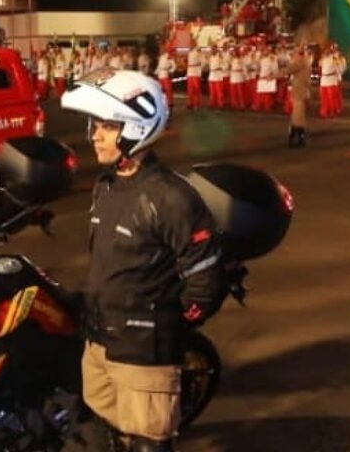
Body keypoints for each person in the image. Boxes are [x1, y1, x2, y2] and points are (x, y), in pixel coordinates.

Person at [60, 69, 225, 452]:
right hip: (100, 342)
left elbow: (205, 279)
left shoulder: (170, 197)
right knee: (103, 433)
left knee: (147, 443)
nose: (94, 135)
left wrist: (165, 326)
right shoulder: (107, 185)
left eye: (105, 126)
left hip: (143, 353)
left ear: (135, 129)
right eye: (94, 125)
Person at [287, 44, 314, 147]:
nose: (293, 55)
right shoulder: (305, 62)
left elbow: (287, 70)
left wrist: (272, 76)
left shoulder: (299, 63)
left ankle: (297, 138)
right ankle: (296, 137)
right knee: (297, 115)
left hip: (299, 92)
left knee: (297, 116)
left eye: (295, 53)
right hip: (302, 91)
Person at [254, 47, 278, 112]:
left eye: (266, 51)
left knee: (268, 94)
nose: (265, 52)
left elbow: (275, 69)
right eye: (264, 51)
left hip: (268, 77)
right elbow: (257, 67)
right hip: (261, 76)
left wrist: (271, 75)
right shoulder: (261, 59)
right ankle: (259, 105)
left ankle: (268, 106)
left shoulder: (272, 59)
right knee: (260, 93)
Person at [319, 49, 341, 118]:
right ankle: (324, 111)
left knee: (331, 98)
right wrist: (322, 57)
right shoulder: (324, 59)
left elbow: (339, 68)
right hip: (324, 80)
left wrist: (338, 78)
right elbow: (319, 64)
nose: (326, 52)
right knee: (323, 97)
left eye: (328, 51)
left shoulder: (334, 58)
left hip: (331, 80)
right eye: (325, 51)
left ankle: (332, 111)